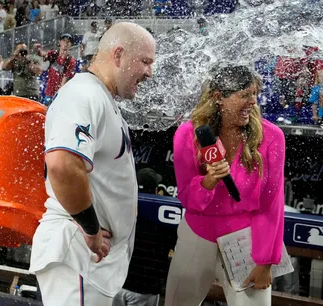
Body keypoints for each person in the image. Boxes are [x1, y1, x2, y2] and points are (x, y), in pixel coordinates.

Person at [29, 22, 155, 306]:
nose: (150, 72)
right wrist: (90, 229)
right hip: (78, 252)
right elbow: (62, 164)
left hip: (89, 260)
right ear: (119, 55)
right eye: (145, 61)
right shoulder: (84, 93)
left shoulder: (99, 95)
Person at [165, 65, 285, 306]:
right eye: (244, 95)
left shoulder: (272, 137)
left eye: (254, 94)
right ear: (219, 97)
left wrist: (265, 260)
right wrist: (208, 182)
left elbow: (272, 205)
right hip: (197, 236)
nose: (252, 101)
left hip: (248, 241)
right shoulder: (188, 134)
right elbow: (187, 197)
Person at [113, 168, 164, 306]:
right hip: (144, 288)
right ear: (155, 190)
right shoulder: (162, 215)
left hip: (117, 283)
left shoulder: (118, 206)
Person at [34, 33, 76, 105]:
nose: (65, 43)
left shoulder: (70, 60)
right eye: (64, 41)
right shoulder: (54, 54)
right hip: (49, 92)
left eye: (68, 42)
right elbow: (42, 54)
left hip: (61, 94)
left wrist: (59, 95)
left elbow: (64, 79)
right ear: (59, 42)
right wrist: (37, 49)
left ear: (71, 45)